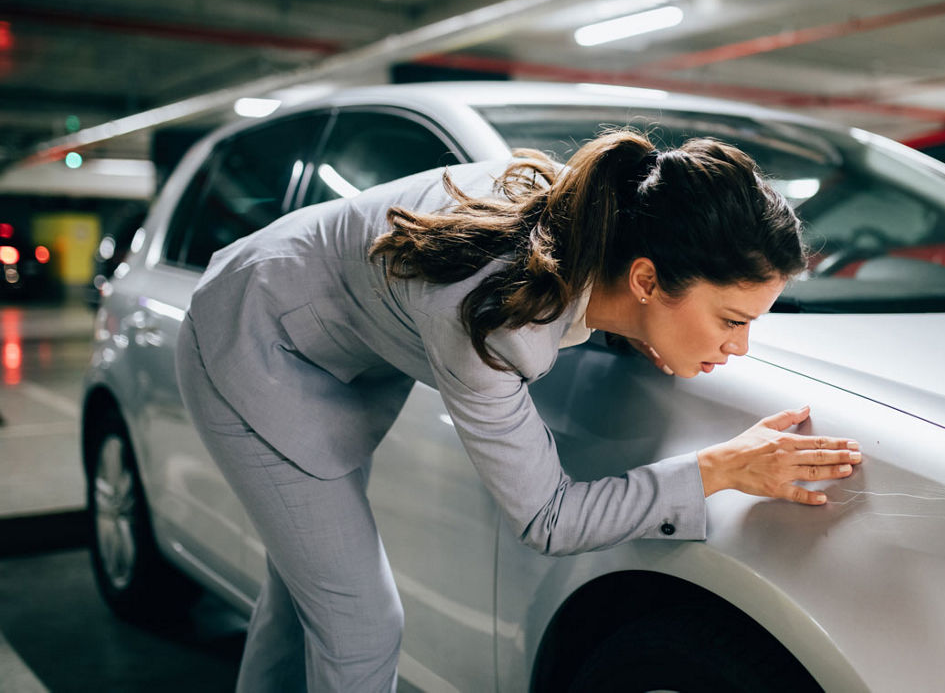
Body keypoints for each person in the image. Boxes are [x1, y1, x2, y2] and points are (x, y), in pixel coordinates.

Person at [175, 129, 861, 692]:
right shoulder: (498, 318)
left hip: (318, 332)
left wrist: (639, 327)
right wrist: (719, 468)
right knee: (361, 624)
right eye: (731, 319)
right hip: (259, 345)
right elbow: (548, 518)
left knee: (308, 603)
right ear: (648, 279)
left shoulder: (592, 216)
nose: (738, 347)